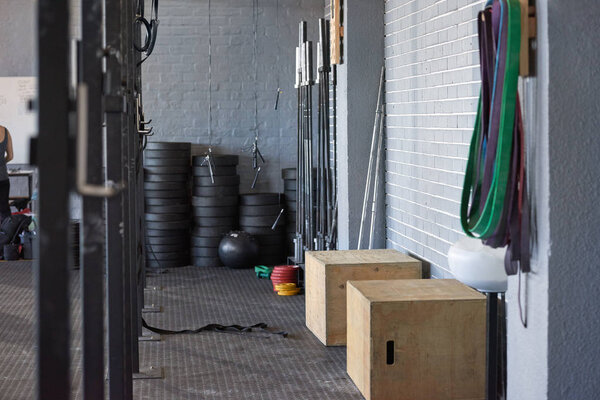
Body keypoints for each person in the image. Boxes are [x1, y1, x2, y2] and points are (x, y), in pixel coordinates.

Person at [0, 126, 14, 222]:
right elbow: (10, 156)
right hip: (3, 177)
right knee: (4, 209)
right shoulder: (5, 131)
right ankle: (7, 235)